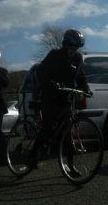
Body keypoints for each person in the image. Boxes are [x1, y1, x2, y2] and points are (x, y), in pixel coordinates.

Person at [31, 29, 92, 175]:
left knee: (67, 133)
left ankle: (71, 167)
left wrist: (86, 89)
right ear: (65, 44)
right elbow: (41, 72)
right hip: (50, 96)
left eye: (77, 47)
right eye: (72, 46)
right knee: (47, 128)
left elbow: (80, 76)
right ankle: (32, 157)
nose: (74, 49)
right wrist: (51, 83)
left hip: (65, 97)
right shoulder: (54, 55)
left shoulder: (78, 58)